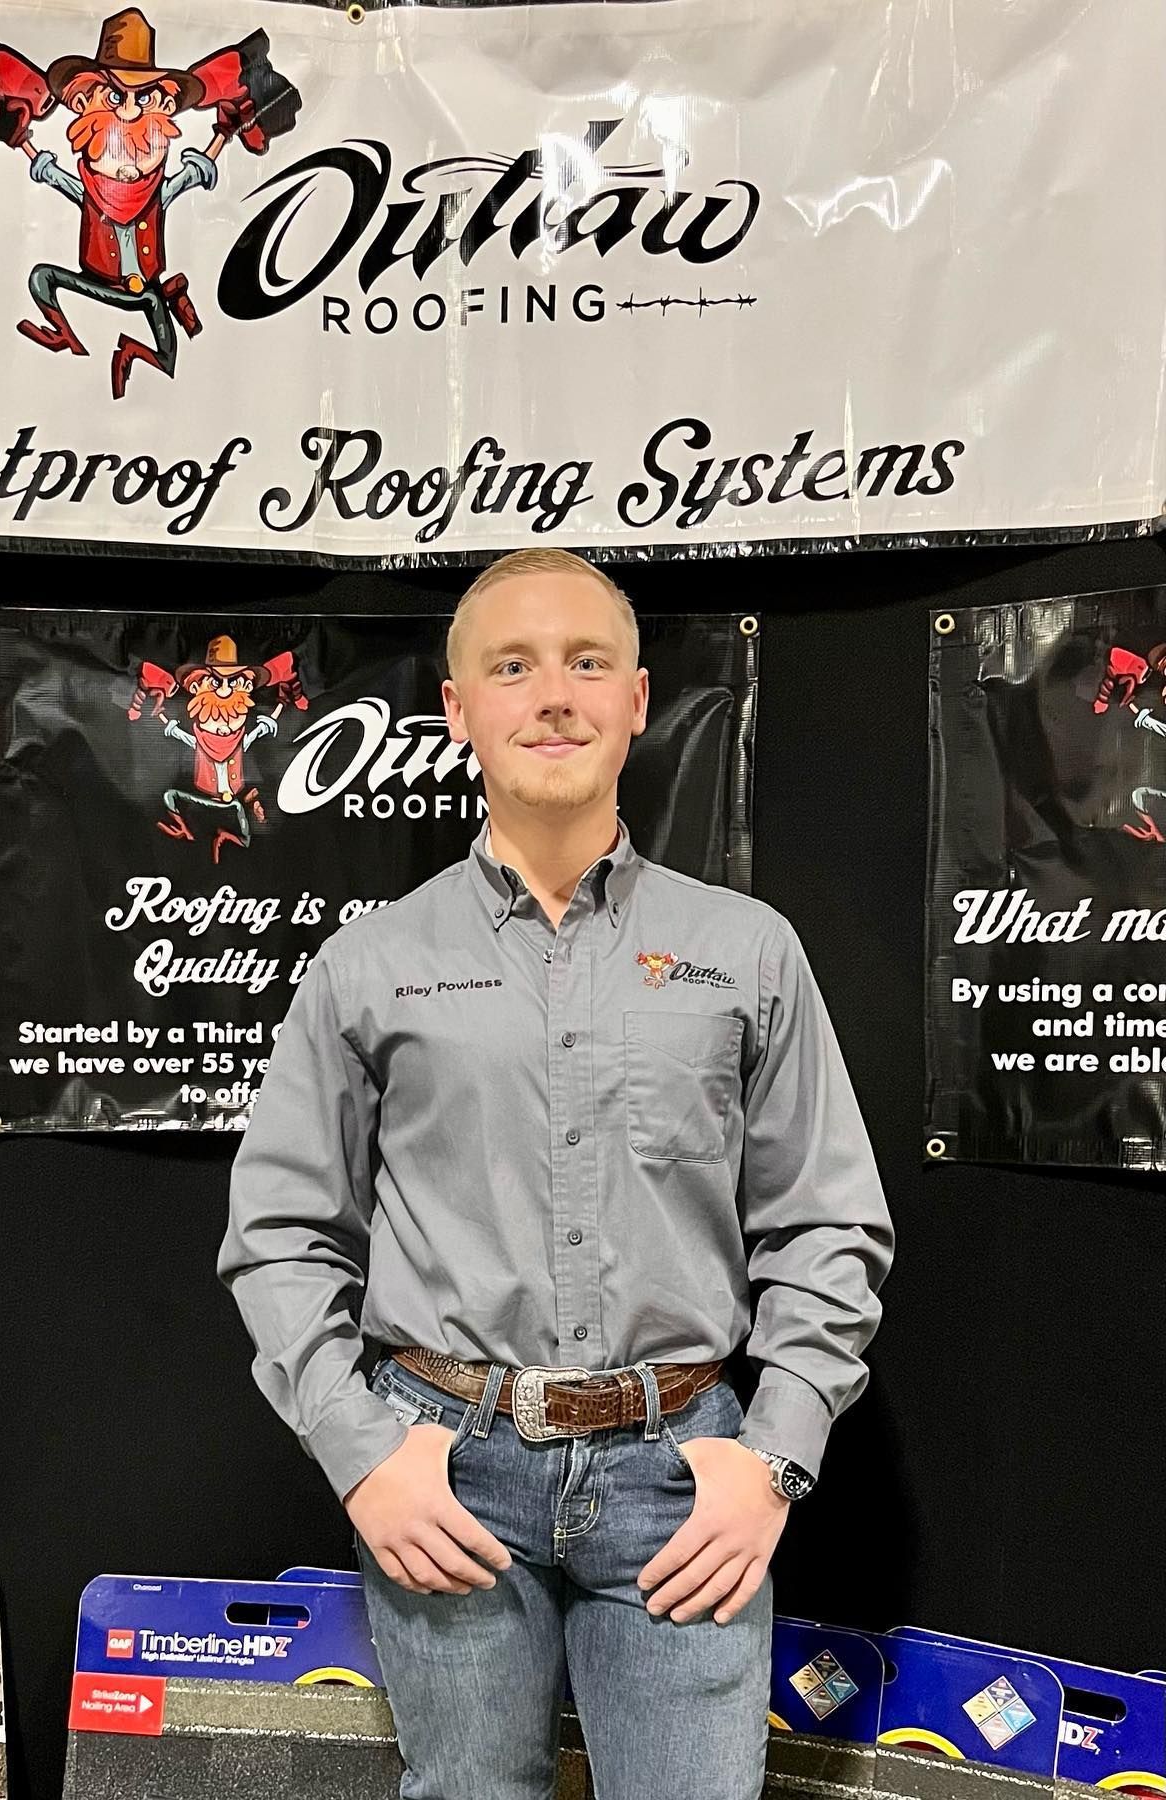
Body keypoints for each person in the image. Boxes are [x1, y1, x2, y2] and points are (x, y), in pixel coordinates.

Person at [216, 547, 895, 1800]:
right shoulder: (371, 965)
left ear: (639, 700)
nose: (555, 694)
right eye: (512, 666)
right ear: (456, 708)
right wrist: (360, 1447)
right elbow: (279, 1234)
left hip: (681, 1481)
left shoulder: (746, 952)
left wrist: (776, 1456)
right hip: (448, 1473)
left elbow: (828, 1225)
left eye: (588, 662)